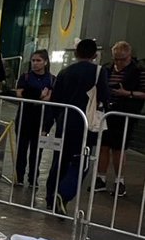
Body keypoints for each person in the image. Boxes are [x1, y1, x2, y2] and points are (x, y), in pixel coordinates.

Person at [44, 38, 111, 213]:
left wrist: (47, 125)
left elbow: (55, 100)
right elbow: (104, 97)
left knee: (60, 159)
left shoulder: (65, 72)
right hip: (85, 125)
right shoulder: (99, 72)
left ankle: (50, 196)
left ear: (76, 53)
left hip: (64, 121)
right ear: (95, 55)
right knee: (81, 161)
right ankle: (64, 193)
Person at [95, 40, 145, 196]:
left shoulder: (138, 71)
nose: (119, 62)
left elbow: (144, 93)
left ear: (129, 56)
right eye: (116, 58)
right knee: (103, 146)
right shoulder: (107, 69)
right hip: (107, 112)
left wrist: (128, 94)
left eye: (122, 59)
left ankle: (119, 181)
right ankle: (100, 178)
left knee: (119, 148)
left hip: (125, 113)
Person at [14, 50, 53, 189]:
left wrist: (31, 95)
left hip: (41, 120)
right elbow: (20, 94)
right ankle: (19, 177)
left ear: (45, 62)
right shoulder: (24, 77)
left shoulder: (51, 79)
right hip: (24, 119)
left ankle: (33, 179)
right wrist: (39, 96)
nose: (35, 63)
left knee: (37, 152)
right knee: (22, 150)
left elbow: (49, 98)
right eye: (33, 60)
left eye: (38, 60)